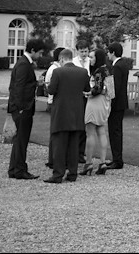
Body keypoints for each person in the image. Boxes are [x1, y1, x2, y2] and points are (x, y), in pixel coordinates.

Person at [44, 48, 89, 184]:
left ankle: (58, 174)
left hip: (61, 113)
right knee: (74, 146)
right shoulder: (83, 72)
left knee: (59, 145)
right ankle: (72, 173)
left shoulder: (58, 72)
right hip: (76, 113)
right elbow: (87, 89)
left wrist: (45, 85)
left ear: (62, 59)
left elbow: (51, 90)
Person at [7, 38, 46, 180]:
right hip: (22, 108)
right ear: (33, 50)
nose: (40, 56)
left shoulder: (24, 63)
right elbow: (18, 87)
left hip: (20, 107)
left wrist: (36, 83)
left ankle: (14, 169)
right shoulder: (24, 64)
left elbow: (23, 85)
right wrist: (21, 107)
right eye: (40, 53)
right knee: (22, 139)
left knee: (19, 139)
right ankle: (19, 170)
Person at [82, 49, 114, 175]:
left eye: (92, 57)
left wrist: (87, 93)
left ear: (98, 58)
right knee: (101, 131)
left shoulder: (98, 71)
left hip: (94, 103)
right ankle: (102, 162)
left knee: (90, 132)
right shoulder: (109, 70)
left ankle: (88, 163)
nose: (90, 59)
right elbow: (111, 91)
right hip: (105, 103)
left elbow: (97, 89)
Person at [106, 42, 132, 170]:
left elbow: (114, 87)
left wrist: (108, 100)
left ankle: (117, 159)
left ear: (113, 53)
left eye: (109, 52)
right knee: (117, 130)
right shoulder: (124, 65)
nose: (108, 55)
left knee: (114, 131)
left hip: (116, 104)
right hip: (122, 102)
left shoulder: (116, 67)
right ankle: (117, 158)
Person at [44, 46, 64, 169]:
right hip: (53, 102)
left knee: (56, 131)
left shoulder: (56, 68)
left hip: (55, 102)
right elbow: (50, 88)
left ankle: (54, 158)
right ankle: (53, 159)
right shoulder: (54, 69)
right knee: (55, 131)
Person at [73, 40, 92, 163]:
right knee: (76, 123)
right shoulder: (74, 62)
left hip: (87, 95)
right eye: (82, 51)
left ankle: (81, 152)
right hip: (76, 95)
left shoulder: (91, 61)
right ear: (77, 51)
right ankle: (74, 151)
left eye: (86, 51)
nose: (84, 54)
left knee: (85, 124)